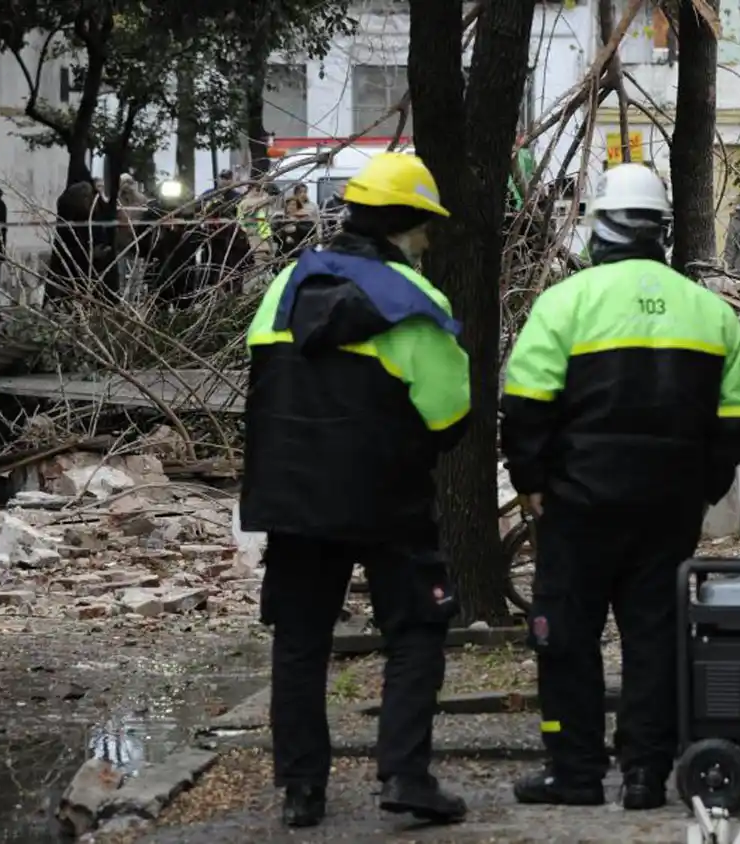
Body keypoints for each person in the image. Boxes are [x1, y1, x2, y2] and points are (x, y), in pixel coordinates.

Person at [500, 164, 740, 810]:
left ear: (600, 226)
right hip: (669, 508)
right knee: (655, 638)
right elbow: (739, 421)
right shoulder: (711, 312)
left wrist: (530, 479)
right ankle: (645, 772)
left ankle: (576, 771)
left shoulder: (566, 303)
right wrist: (705, 482)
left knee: (564, 636)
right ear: (662, 231)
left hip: (576, 504)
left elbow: (525, 402)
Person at [240, 151, 472, 830]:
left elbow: (263, 385)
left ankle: (302, 791)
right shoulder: (418, 303)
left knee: (301, 639)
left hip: (291, 496)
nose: (427, 241)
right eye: (425, 228)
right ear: (405, 226)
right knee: (417, 628)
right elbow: (449, 413)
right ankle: (406, 776)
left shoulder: (284, 286)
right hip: (387, 495)